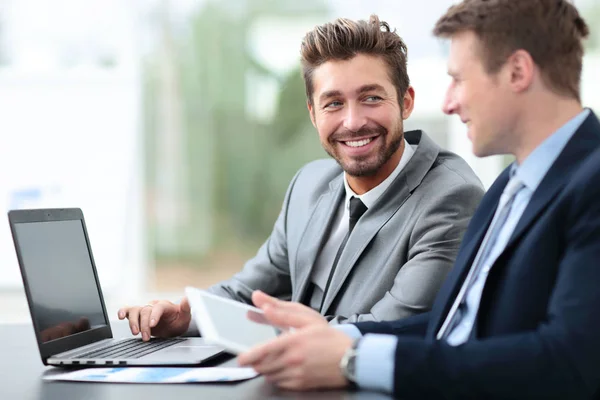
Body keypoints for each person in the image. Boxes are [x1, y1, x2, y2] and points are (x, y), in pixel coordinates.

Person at [238, 1, 600, 399]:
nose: (449, 102)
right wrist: (340, 337)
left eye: (458, 79)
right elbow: (448, 323)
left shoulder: (590, 185)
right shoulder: (509, 188)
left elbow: (570, 363)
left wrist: (355, 359)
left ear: (517, 72)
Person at [118, 16, 483, 342]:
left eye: (371, 98)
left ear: (405, 102)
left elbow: (395, 325)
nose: (353, 121)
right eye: (333, 103)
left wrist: (273, 330)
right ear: (313, 113)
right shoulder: (308, 184)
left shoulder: (451, 197)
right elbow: (249, 291)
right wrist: (188, 315)